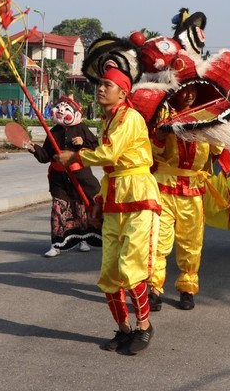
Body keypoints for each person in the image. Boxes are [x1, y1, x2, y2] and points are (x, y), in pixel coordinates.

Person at [56, 64, 160, 356]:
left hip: (138, 196)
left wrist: (75, 156)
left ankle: (144, 325)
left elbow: (110, 154)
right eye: (99, 84)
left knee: (131, 268)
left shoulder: (129, 118)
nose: (100, 89)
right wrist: (100, 200)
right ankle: (124, 330)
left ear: (123, 93)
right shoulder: (109, 121)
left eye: (107, 85)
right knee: (109, 274)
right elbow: (111, 168)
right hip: (115, 195)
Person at [148, 84, 222, 311]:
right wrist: (159, 136)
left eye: (193, 91)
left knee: (191, 244)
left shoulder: (207, 116)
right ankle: (154, 288)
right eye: (184, 90)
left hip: (193, 189)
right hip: (164, 186)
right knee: (159, 241)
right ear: (175, 91)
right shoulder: (162, 114)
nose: (189, 95)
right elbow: (152, 151)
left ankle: (187, 288)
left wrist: (213, 129)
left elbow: (218, 149)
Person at [28, 96, 101, 256]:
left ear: (75, 113)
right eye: (59, 108)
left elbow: (96, 148)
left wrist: (83, 142)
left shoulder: (82, 128)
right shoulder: (53, 132)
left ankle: (83, 239)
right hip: (59, 179)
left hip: (79, 176)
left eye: (66, 108)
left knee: (81, 208)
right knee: (58, 210)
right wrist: (34, 149)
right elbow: (45, 156)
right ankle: (56, 244)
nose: (61, 111)